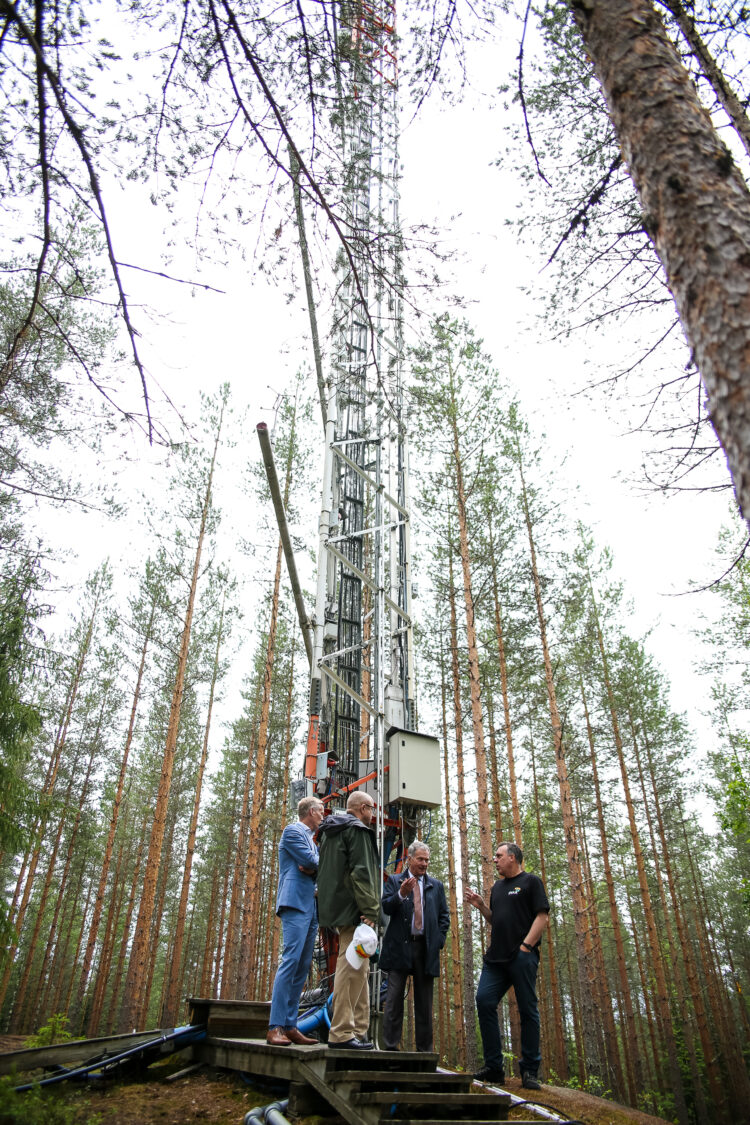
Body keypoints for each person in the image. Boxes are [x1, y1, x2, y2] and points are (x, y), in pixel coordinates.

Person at [465, 841, 550, 1090]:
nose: (495, 860)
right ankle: (494, 1068)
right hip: (496, 960)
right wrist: (482, 906)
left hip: (521, 957)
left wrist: (526, 947)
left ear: (512, 858)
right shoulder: (497, 888)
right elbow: (496, 920)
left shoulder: (532, 882)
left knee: (527, 1010)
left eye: (499, 856)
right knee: (484, 1000)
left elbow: (542, 916)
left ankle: (530, 1071)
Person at [317, 790, 381, 1050]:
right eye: (372, 809)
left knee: (360, 967)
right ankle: (342, 1032)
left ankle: (358, 1028)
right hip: (354, 909)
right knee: (350, 966)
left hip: (335, 907)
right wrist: (372, 910)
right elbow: (362, 873)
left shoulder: (329, 831)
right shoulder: (357, 830)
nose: (373, 815)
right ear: (363, 808)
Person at [379, 840, 449, 1053]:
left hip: (425, 949)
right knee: (393, 1000)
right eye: (420, 859)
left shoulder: (435, 886)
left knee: (424, 1003)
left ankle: (424, 1052)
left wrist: (438, 941)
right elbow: (387, 907)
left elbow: (443, 917)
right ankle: (390, 1049)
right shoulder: (394, 880)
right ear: (409, 859)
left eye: (427, 860)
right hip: (399, 947)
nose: (424, 863)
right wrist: (401, 894)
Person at [267, 795, 325, 1046]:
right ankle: (274, 1027)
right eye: (321, 811)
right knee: (290, 961)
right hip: (294, 903)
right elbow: (311, 862)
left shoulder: (312, 840)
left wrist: (315, 867)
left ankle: (291, 1025)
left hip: (310, 906)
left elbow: (317, 864)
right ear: (311, 811)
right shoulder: (293, 831)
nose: (323, 815)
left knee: (302, 965)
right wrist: (314, 866)